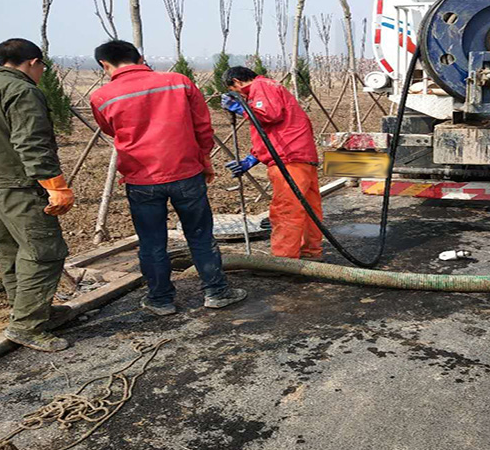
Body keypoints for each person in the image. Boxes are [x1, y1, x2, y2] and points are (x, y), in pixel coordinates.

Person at [90, 40, 246, 315]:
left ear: (104, 64)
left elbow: (112, 130)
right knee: (199, 235)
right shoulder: (178, 82)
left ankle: (160, 299)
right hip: (186, 173)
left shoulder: (102, 96)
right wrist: (204, 158)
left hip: (142, 180)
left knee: (151, 242)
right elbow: (202, 126)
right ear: (140, 57)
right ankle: (217, 292)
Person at [0, 38, 74, 352]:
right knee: (44, 251)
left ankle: (27, 310)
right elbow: (32, 145)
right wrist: (57, 187)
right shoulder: (22, 91)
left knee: (12, 249)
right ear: (33, 63)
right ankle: (27, 325)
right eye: (41, 67)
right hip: (21, 186)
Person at [220, 66, 323, 260]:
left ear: (236, 82)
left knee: (286, 211)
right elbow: (274, 132)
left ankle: (284, 260)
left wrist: (241, 108)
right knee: (308, 210)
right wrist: (251, 159)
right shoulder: (272, 87)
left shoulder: (261, 85)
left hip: (288, 160)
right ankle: (310, 253)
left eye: (233, 91)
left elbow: (269, 115)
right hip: (300, 157)